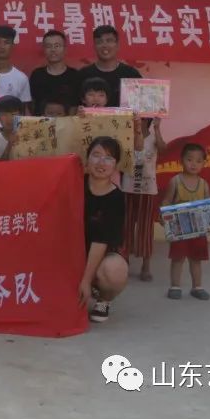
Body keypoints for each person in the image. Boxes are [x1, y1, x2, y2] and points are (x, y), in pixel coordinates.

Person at [81, 136, 128, 323]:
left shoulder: (116, 198)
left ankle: (103, 299)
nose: (101, 162)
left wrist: (86, 280)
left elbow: (100, 241)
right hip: (69, 252)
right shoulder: (74, 183)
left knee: (114, 270)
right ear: (87, 159)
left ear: (116, 165)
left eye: (108, 158)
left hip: (99, 254)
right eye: (96, 155)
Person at [163, 143, 210, 301]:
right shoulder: (175, 181)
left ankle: (197, 287)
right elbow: (167, 201)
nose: (194, 164)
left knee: (196, 258)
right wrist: (163, 214)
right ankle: (175, 286)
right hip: (179, 228)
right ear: (181, 160)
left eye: (198, 161)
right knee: (178, 258)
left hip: (199, 229)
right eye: (189, 159)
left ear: (204, 163)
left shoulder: (204, 184)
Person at [124, 117, 167, 282]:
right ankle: (124, 260)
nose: (137, 120)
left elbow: (163, 150)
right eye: (134, 117)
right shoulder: (126, 135)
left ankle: (146, 265)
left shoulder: (154, 137)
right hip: (127, 187)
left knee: (146, 227)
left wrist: (157, 128)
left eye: (141, 118)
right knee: (126, 225)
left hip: (147, 189)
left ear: (147, 120)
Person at [79, 25, 141, 108]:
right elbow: (75, 108)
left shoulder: (131, 74)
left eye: (109, 41)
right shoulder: (83, 74)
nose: (104, 45)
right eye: (99, 42)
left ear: (117, 45)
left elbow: (141, 106)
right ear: (94, 47)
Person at [30, 30, 82, 115]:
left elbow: (76, 104)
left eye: (57, 46)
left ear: (65, 49)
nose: (53, 50)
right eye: (48, 46)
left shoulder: (74, 75)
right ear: (44, 50)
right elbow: (32, 104)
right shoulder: (37, 75)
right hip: (42, 122)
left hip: (68, 122)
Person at [0, 95, 22, 160]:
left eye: (13, 114)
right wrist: (9, 145)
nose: (9, 119)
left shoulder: (28, 137)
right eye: (4, 114)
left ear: (21, 116)